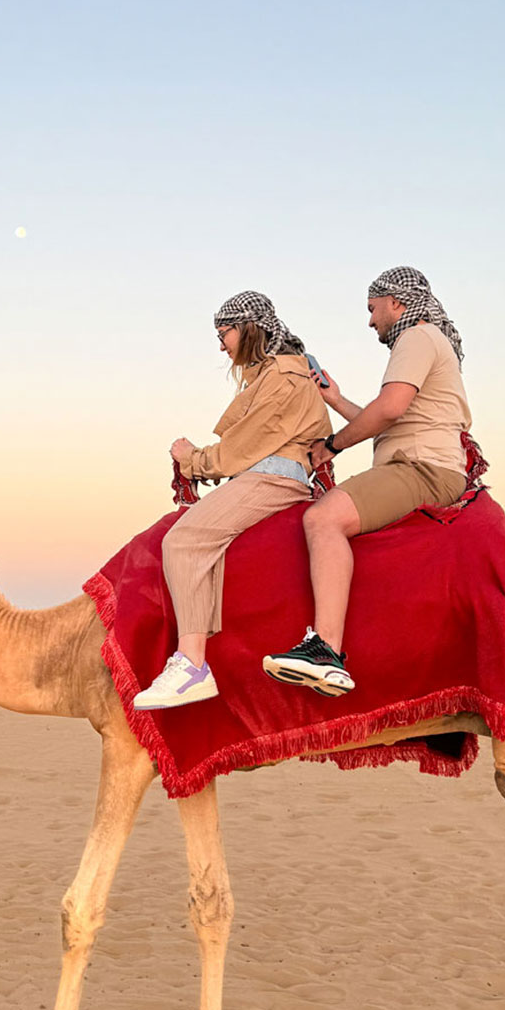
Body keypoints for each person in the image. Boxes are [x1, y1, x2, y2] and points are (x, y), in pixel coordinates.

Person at [263, 265, 472, 697]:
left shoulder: (416, 336)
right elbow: (389, 424)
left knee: (324, 519)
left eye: (373, 309)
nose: (370, 320)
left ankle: (325, 650)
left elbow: (390, 408)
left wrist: (332, 447)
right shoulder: (428, 341)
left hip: (421, 469)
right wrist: (335, 399)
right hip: (416, 459)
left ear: (397, 303)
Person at [133, 291, 330, 711]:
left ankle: (191, 665)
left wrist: (191, 460)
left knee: (183, 541)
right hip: (266, 473)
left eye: (224, 332)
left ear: (249, 329)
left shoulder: (283, 379)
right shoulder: (276, 375)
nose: (221, 343)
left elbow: (241, 450)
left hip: (273, 478)